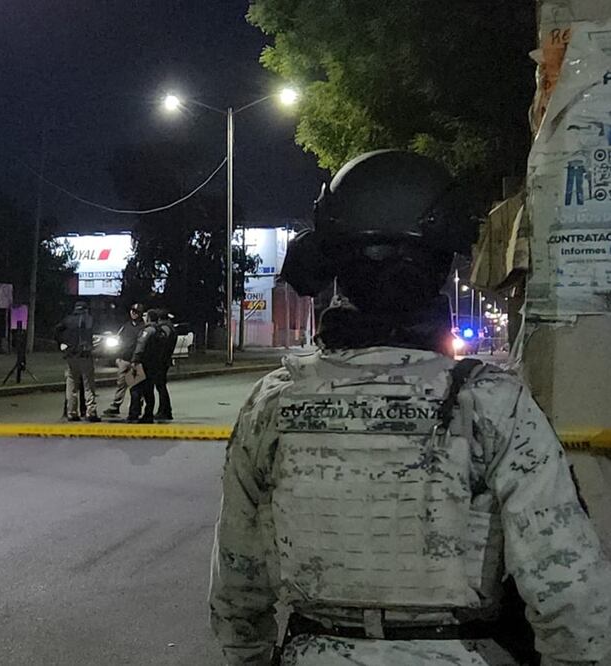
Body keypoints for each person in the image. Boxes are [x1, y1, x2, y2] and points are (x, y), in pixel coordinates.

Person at [210, 150, 611, 665]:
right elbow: (569, 591)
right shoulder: (492, 402)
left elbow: (238, 582)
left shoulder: (274, 402)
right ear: (444, 263)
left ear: (333, 262)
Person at [54, 300, 100, 422]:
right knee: (88, 385)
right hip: (84, 355)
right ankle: (91, 412)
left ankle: (72, 412)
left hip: (70, 356)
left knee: (71, 385)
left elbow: (57, 331)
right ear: (85, 309)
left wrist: (62, 343)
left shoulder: (68, 320)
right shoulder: (88, 319)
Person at [103, 303, 145, 416]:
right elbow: (119, 341)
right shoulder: (126, 326)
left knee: (135, 386)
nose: (133, 313)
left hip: (135, 361)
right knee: (121, 383)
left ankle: (136, 407)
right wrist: (118, 357)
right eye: (132, 311)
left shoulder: (143, 327)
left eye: (136, 312)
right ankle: (116, 405)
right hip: (124, 360)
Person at [128, 309, 162, 423]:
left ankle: (134, 413)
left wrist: (134, 360)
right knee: (149, 390)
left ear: (149, 318)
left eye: (145, 316)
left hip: (143, 363)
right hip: (154, 364)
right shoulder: (159, 331)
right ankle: (148, 414)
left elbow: (141, 346)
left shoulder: (147, 331)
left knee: (134, 388)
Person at [153, 309, 177, 421]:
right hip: (164, 360)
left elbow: (162, 343)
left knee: (161, 386)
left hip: (161, 361)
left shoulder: (165, 328)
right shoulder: (169, 327)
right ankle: (165, 410)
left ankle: (165, 410)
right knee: (161, 386)